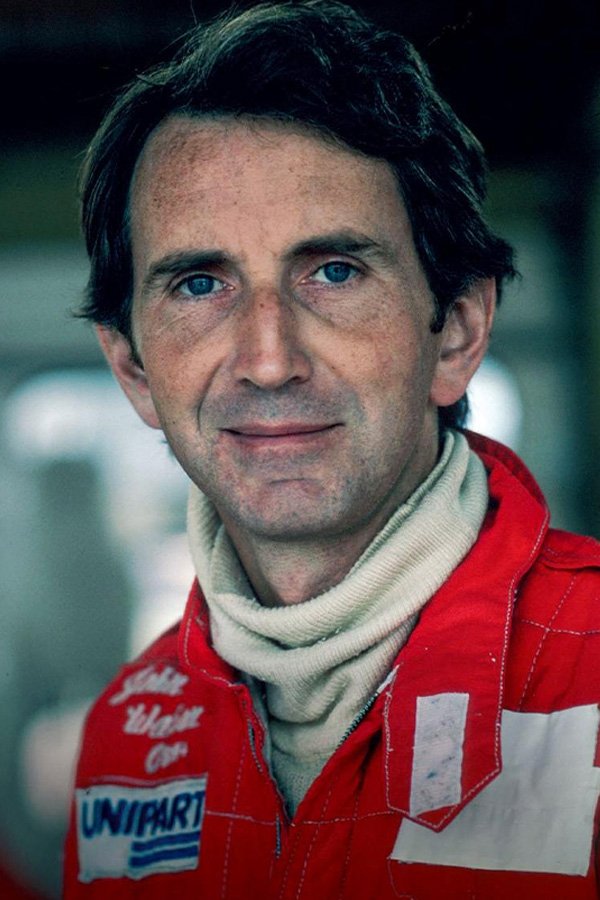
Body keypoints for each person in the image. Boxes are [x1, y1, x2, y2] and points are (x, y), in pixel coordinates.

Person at [63, 2, 600, 897]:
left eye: (335, 272)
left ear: (457, 332)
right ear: (133, 369)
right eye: (199, 284)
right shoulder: (123, 737)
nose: (269, 359)